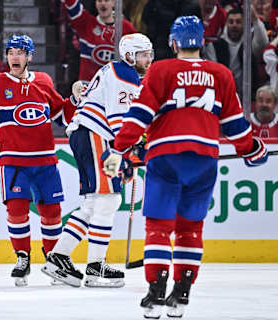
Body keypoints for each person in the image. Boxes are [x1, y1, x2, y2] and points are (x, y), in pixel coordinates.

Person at [101, 16, 268, 319]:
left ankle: (155, 292)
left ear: (174, 42)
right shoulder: (221, 73)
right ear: (203, 42)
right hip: (204, 158)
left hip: (165, 156)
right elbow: (235, 125)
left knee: (159, 227)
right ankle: (182, 293)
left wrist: (119, 148)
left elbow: (140, 115)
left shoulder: (161, 70)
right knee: (191, 228)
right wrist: (252, 149)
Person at [41, 33, 153, 288]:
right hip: (96, 136)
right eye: (143, 54)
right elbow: (118, 122)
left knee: (95, 201)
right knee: (108, 199)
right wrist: (134, 149)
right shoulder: (125, 75)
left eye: (149, 54)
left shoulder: (117, 71)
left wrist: (127, 156)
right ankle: (95, 267)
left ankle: (59, 256)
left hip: (90, 136)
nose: (148, 59)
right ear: (129, 55)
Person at [0, 34, 79, 286]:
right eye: (11, 52)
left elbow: (61, 113)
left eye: (20, 52)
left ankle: (54, 260)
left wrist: (75, 99)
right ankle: (22, 257)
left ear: (30, 56)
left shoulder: (43, 81)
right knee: (17, 211)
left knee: (52, 213)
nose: (15, 57)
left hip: (45, 159)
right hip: (14, 161)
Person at [61, 0, 137, 81]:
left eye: (106, 0)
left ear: (114, 3)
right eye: (99, 1)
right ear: (95, 3)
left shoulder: (127, 28)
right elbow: (72, 5)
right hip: (89, 87)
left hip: (116, 87)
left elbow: (138, 59)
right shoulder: (86, 23)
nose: (103, 3)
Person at [204, 6, 269, 98]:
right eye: (231, 22)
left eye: (238, 22)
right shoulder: (214, 46)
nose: (234, 25)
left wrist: (255, 19)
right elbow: (214, 73)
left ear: (244, 24)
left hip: (248, 98)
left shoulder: (249, 44)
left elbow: (263, 43)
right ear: (226, 24)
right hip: (222, 96)